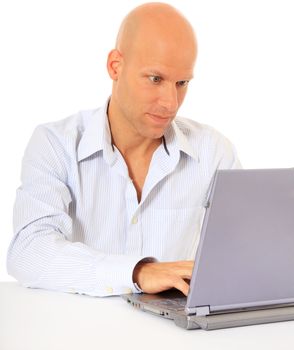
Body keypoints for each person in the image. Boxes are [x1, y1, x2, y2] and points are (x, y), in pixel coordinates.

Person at [7, 2, 241, 297]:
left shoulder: (214, 152)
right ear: (115, 66)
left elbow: (241, 256)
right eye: (155, 79)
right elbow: (29, 252)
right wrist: (137, 272)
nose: (171, 102)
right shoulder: (55, 144)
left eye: (182, 83)